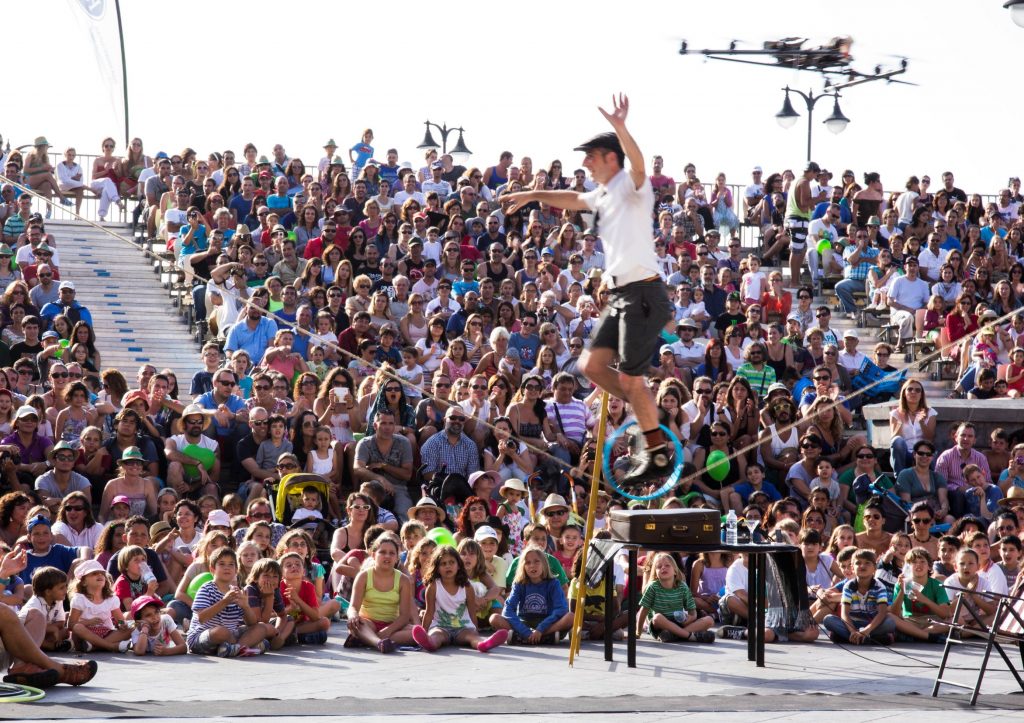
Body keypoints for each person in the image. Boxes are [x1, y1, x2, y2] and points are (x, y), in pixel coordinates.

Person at [500, 95, 673, 484]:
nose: (584, 163)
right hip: (622, 295)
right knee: (589, 366)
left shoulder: (631, 186)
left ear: (611, 158)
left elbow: (640, 164)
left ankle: (657, 451)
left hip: (645, 293)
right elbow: (573, 199)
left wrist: (621, 129)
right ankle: (648, 411)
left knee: (630, 380)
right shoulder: (602, 195)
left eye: (591, 156)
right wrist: (531, 194)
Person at [411, 545, 509, 653]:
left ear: (458, 565)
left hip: (463, 628)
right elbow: (429, 613)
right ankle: (428, 643)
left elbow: (472, 612)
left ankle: (483, 643)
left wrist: (475, 630)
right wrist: (424, 631)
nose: (448, 566)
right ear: (437, 568)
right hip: (440, 627)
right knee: (436, 636)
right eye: (443, 564)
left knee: (471, 637)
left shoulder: (467, 587)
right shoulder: (433, 586)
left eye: (452, 562)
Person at [186, 546, 273, 657]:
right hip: (202, 637)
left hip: (229, 637)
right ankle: (244, 647)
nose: (227, 568)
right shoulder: (206, 588)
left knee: (261, 627)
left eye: (231, 564)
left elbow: (251, 623)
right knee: (221, 632)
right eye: (222, 564)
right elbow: (201, 618)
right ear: (213, 569)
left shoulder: (237, 591)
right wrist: (224, 601)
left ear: (236, 570)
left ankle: (233, 649)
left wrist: (245, 607)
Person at [346, 534, 415, 653]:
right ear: (373, 555)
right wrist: (352, 616)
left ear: (397, 558)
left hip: (394, 626)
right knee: (358, 624)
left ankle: (368, 639)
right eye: (382, 552)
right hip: (368, 623)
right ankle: (378, 643)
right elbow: (353, 607)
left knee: (416, 632)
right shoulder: (363, 576)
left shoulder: (404, 580)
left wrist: (388, 631)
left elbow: (404, 616)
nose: (387, 556)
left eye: (392, 553)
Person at [491, 546, 572, 644]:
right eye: (528, 563)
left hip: (548, 624)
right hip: (524, 623)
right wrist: (525, 631)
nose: (532, 566)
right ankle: (541, 638)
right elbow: (507, 610)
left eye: (536, 561)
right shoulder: (519, 584)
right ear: (523, 567)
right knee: (494, 618)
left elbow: (561, 609)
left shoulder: (553, 583)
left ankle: (528, 637)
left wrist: (540, 629)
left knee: (571, 617)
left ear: (544, 564)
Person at [822, 548, 896, 645]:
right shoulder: (848, 586)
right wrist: (853, 631)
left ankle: (852, 637)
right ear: (853, 568)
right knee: (828, 620)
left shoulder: (879, 587)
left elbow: (882, 613)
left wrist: (866, 630)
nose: (862, 566)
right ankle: (867, 639)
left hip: (872, 624)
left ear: (875, 568)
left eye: (867, 563)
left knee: (890, 622)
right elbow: (845, 613)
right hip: (851, 624)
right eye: (858, 563)